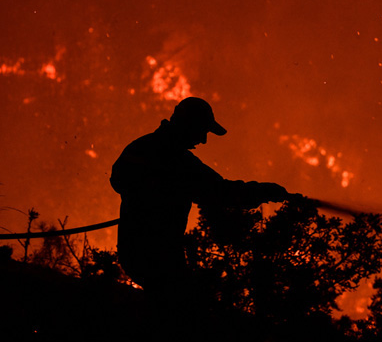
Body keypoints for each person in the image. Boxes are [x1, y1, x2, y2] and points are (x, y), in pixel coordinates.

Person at [109, 97, 288, 306]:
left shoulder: (143, 147)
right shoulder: (179, 163)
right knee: (185, 312)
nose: (203, 140)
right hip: (157, 255)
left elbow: (118, 180)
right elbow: (222, 192)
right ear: (188, 125)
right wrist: (265, 191)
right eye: (202, 131)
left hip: (137, 250)